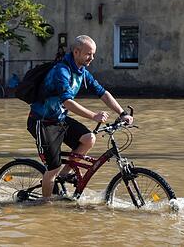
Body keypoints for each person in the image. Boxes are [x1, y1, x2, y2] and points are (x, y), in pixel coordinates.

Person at [27, 35, 133, 199]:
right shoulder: (61, 71)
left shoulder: (82, 72)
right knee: (52, 169)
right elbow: (68, 102)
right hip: (42, 122)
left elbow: (102, 93)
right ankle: (45, 206)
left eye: (93, 54)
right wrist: (94, 116)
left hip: (60, 119)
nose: (92, 58)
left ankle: (63, 176)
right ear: (76, 52)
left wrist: (122, 113)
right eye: (88, 54)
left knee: (89, 138)